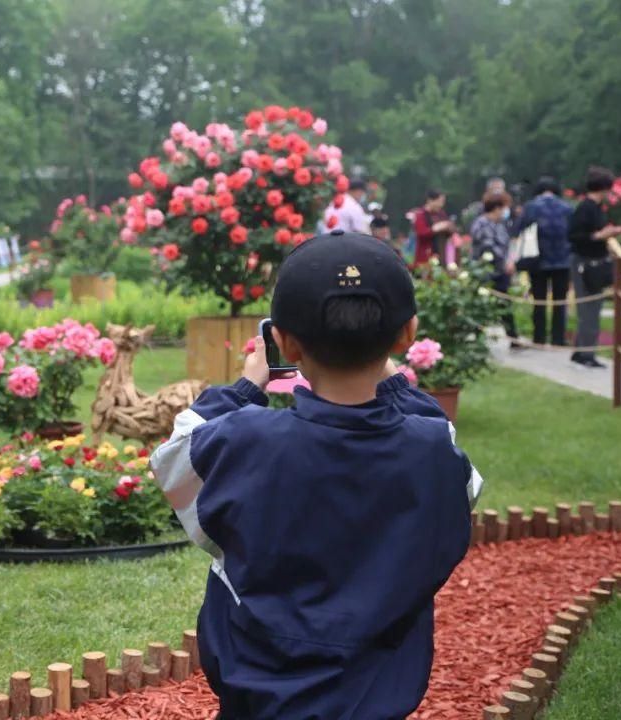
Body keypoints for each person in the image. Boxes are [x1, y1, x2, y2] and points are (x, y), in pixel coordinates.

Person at [151, 231, 481, 719]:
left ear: (283, 341)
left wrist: (245, 387)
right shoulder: (432, 453)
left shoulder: (243, 442)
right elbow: (452, 459)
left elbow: (175, 457)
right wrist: (392, 385)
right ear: (407, 335)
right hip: (378, 703)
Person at [568, 167, 621, 368]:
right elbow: (575, 236)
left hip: (595, 262)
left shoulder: (596, 208)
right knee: (588, 308)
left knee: (594, 306)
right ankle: (586, 354)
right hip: (584, 263)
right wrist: (598, 236)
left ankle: (581, 349)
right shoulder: (585, 208)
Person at [516, 177, 573, 346]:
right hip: (562, 261)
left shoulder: (531, 207)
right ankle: (558, 338)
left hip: (537, 260)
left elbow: (519, 230)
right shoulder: (566, 208)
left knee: (539, 301)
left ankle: (539, 337)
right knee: (559, 302)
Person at [470, 194, 518, 343]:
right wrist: (503, 262)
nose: (506, 211)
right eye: (504, 207)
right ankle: (477, 338)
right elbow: (488, 246)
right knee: (480, 306)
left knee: (505, 305)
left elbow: (506, 245)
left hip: (501, 272)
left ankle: (513, 337)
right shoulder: (481, 224)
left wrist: (510, 260)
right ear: (496, 208)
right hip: (486, 272)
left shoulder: (500, 224)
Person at [413, 190, 455, 266]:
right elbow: (421, 233)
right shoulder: (420, 215)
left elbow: (450, 232)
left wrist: (449, 227)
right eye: (439, 201)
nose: (441, 205)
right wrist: (435, 229)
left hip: (441, 254)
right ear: (430, 201)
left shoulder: (441, 214)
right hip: (426, 256)